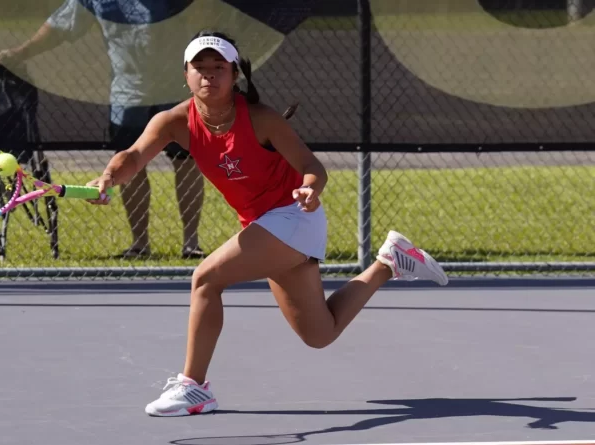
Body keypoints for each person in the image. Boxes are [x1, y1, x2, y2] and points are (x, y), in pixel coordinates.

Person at [86, 30, 450, 417]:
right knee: (319, 333)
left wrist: (310, 189)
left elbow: (312, 167)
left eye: (218, 67)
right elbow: (133, 156)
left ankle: (194, 387)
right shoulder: (173, 121)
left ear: (234, 74)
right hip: (263, 225)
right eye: (200, 67)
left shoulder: (261, 119)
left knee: (206, 278)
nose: (209, 75)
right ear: (186, 74)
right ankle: (390, 263)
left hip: (295, 217)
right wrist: (108, 177)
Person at [0, 0, 205, 259]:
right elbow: (60, 26)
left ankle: (191, 244)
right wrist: (19, 53)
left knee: (186, 161)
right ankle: (140, 244)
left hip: (175, 90)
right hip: (128, 93)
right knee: (131, 166)